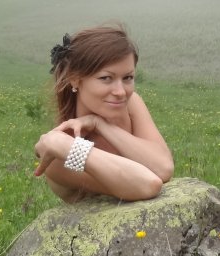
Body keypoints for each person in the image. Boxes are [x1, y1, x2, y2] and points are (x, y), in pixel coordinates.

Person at [34, 23, 174, 203]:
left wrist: (99, 124)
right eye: (106, 78)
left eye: (128, 78)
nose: (121, 92)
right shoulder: (59, 155)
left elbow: (163, 168)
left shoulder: (130, 104)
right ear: (74, 79)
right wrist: (66, 146)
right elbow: (149, 184)